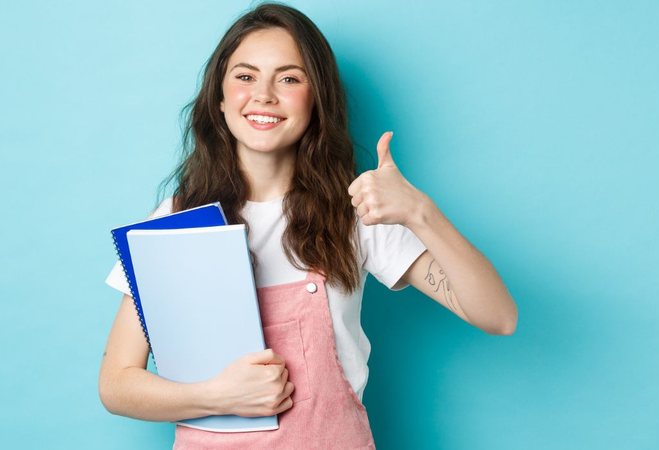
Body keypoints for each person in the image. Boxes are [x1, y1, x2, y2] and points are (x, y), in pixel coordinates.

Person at [99, 2, 517, 448]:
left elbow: (498, 316)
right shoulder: (175, 223)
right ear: (219, 99)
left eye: (289, 78)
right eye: (245, 76)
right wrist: (217, 395)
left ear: (316, 99)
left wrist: (420, 212)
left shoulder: (357, 211)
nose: (263, 94)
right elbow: (117, 384)